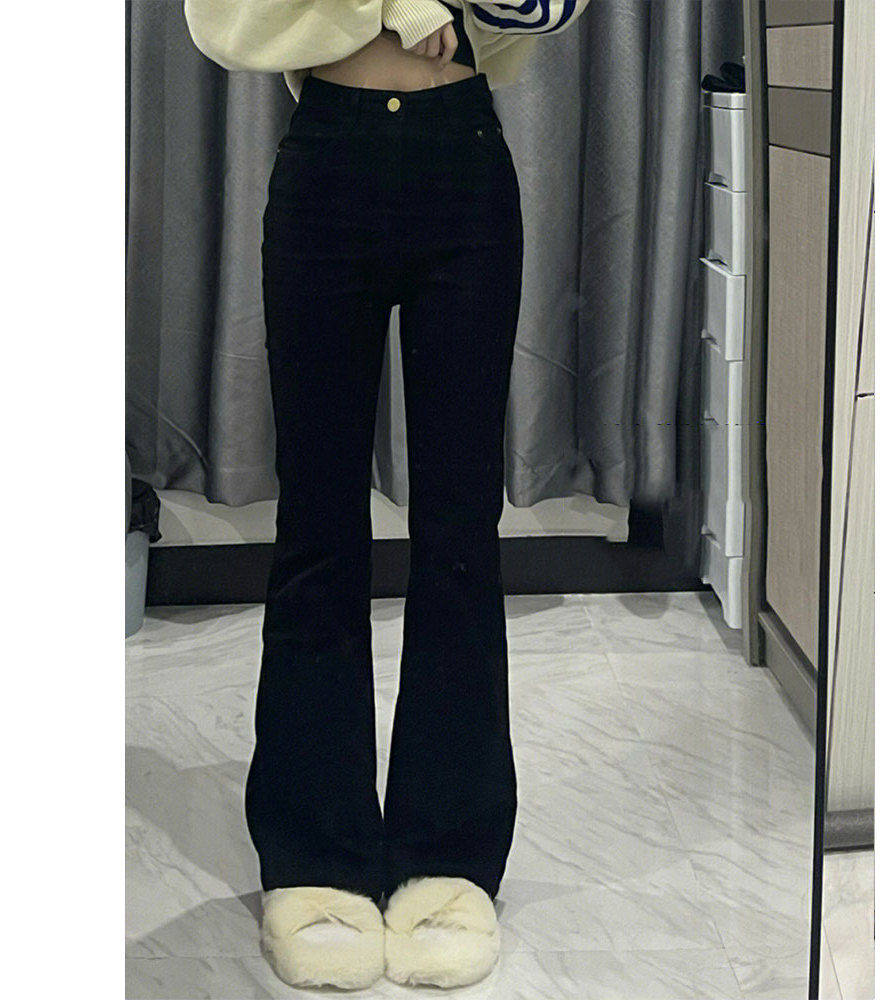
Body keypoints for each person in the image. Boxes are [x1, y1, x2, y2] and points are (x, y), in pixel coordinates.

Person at [182, 0, 590, 990]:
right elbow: (218, 16)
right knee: (317, 526)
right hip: (330, 153)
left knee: (461, 531)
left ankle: (449, 859)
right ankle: (313, 860)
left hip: (464, 155)